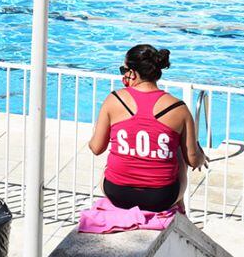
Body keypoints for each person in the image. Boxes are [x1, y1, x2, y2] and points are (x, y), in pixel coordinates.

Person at [88, 45, 206, 213]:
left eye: (124, 70)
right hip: (162, 198)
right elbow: (193, 160)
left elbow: (96, 148)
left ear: (133, 73)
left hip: (117, 194)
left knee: (111, 164)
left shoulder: (114, 99)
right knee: (178, 148)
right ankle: (179, 204)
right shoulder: (179, 108)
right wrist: (201, 156)